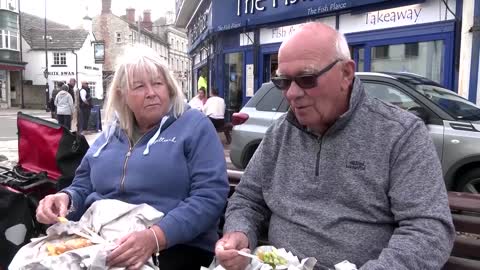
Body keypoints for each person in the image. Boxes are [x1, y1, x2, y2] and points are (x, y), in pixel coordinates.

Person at [215, 22, 454, 270]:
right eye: (284, 81)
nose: (291, 93)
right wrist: (239, 234)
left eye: (307, 79)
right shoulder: (281, 133)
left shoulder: (400, 134)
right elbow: (247, 199)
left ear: (346, 73)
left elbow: (429, 230)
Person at [35, 46, 229, 270]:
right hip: (101, 237)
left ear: (169, 87)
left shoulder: (195, 126)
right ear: (122, 95)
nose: (151, 92)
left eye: (157, 83)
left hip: (176, 244)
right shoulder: (110, 134)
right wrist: (66, 199)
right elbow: (83, 184)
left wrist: (154, 238)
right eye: (139, 86)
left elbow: (209, 197)